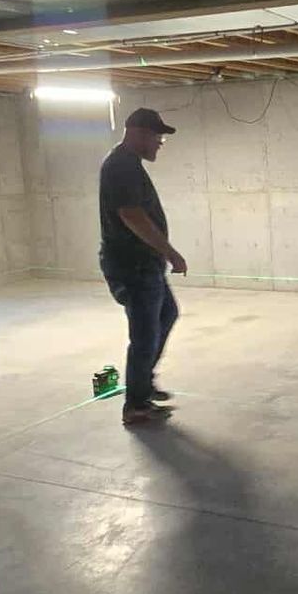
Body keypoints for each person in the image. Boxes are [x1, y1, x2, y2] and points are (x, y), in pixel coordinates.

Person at [99, 107, 187, 427]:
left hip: (143, 264)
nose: (160, 142)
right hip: (132, 266)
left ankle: (143, 385)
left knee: (167, 314)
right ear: (137, 133)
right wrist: (171, 252)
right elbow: (131, 215)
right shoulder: (122, 166)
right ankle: (136, 405)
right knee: (145, 334)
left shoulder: (128, 163)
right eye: (157, 136)